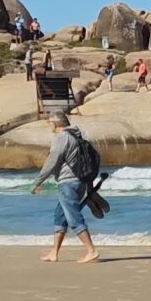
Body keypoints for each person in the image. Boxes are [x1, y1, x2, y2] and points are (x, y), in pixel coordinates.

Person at [27, 112, 102, 264]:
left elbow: (52, 161)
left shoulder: (62, 138)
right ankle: (54, 253)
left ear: (56, 124)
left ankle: (91, 251)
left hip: (68, 182)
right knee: (60, 216)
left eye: (50, 123)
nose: (50, 127)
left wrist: (37, 182)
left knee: (73, 217)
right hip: (79, 182)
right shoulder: (76, 137)